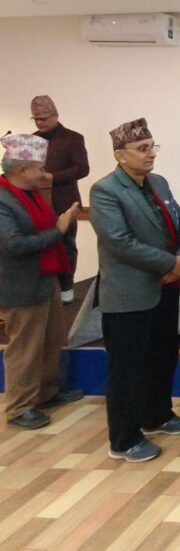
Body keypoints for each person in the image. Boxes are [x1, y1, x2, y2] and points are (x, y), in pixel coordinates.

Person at [90, 118, 180, 463]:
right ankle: (124, 440)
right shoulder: (105, 191)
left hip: (165, 287)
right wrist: (168, 264)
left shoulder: (158, 182)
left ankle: (157, 415)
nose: (151, 154)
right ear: (121, 155)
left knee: (163, 355)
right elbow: (119, 242)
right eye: (142, 148)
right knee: (127, 368)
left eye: (152, 147)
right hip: (129, 294)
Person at [0, 134, 84, 429]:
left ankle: (46, 394)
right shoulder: (3, 200)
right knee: (25, 348)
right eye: (40, 168)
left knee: (50, 340)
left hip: (45, 279)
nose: (45, 174)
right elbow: (14, 245)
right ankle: (19, 408)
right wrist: (59, 230)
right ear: (22, 169)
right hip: (20, 287)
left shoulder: (31, 194)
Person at [31, 95, 90, 302]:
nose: (40, 123)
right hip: (37, 203)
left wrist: (52, 178)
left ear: (56, 115)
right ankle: (46, 289)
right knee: (41, 246)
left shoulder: (73, 138)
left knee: (66, 246)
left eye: (44, 118)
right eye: (37, 119)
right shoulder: (33, 139)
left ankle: (66, 287)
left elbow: (82, 169)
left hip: (64, 203)